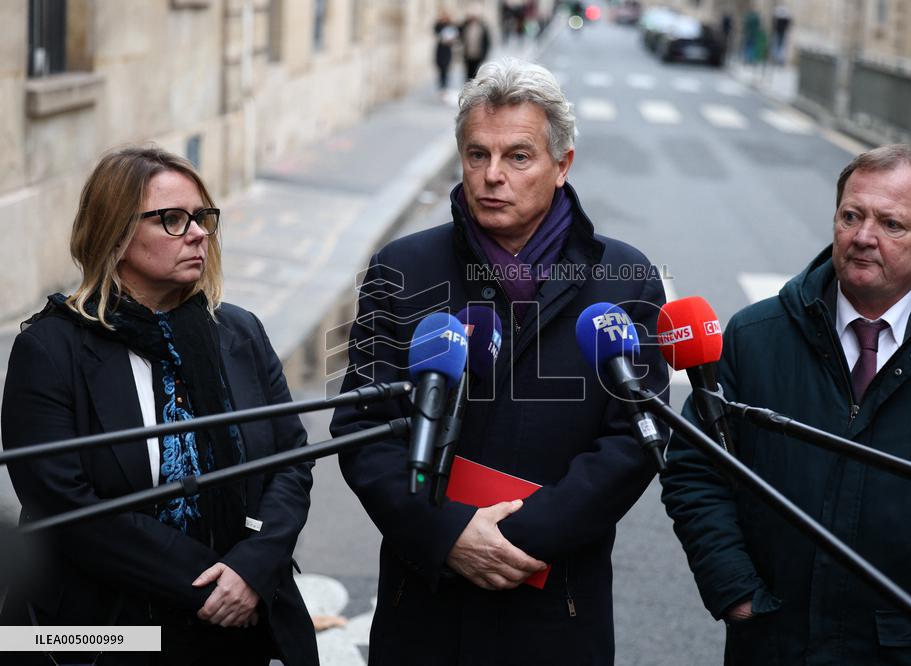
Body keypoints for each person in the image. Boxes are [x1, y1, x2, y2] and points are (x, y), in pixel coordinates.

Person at [330, 58, 669, 665]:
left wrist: (514, 541)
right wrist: (449, 536)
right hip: (426, 604)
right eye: (476, 154)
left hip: (555, 605)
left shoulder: (626, 279)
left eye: (518, 156)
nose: (492, 176)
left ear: (561, 165)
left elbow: (633, 441)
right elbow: (361, 430)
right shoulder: (400, 271)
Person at [662, 144, 911, 664]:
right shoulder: (755, 336)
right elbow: (694, 468)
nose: (864, 237)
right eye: (851, 216)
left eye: (891, 224)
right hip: (775, 642)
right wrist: (736, 593)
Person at [1, 146, 318, 666]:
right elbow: (66, 507)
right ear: (116, 234)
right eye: (171, 220)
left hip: (246, 621)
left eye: (202, 218)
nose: (197, 233)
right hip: (109, 635)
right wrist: (213, 584)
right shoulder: (51, 350)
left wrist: (253, 567)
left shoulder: (237, 331)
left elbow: (290, 460)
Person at [459, 8, 492, 81]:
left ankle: (473, 88)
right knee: (468, 73)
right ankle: (468, 88)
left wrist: (485, 54)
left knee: (476, 73)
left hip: (478, 54)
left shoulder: (483, 27)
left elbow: (487, 42)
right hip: (468, 54)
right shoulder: (466, 26)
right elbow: (459, 31)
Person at [433, 10, 458, 95]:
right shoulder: (439, 25)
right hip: (440, 50)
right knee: (440, 68)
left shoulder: (451, 25)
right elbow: (435, 30)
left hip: (447, 50)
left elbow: (455, 35)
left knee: (446, 68)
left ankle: (445, 87)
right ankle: (441, 86)